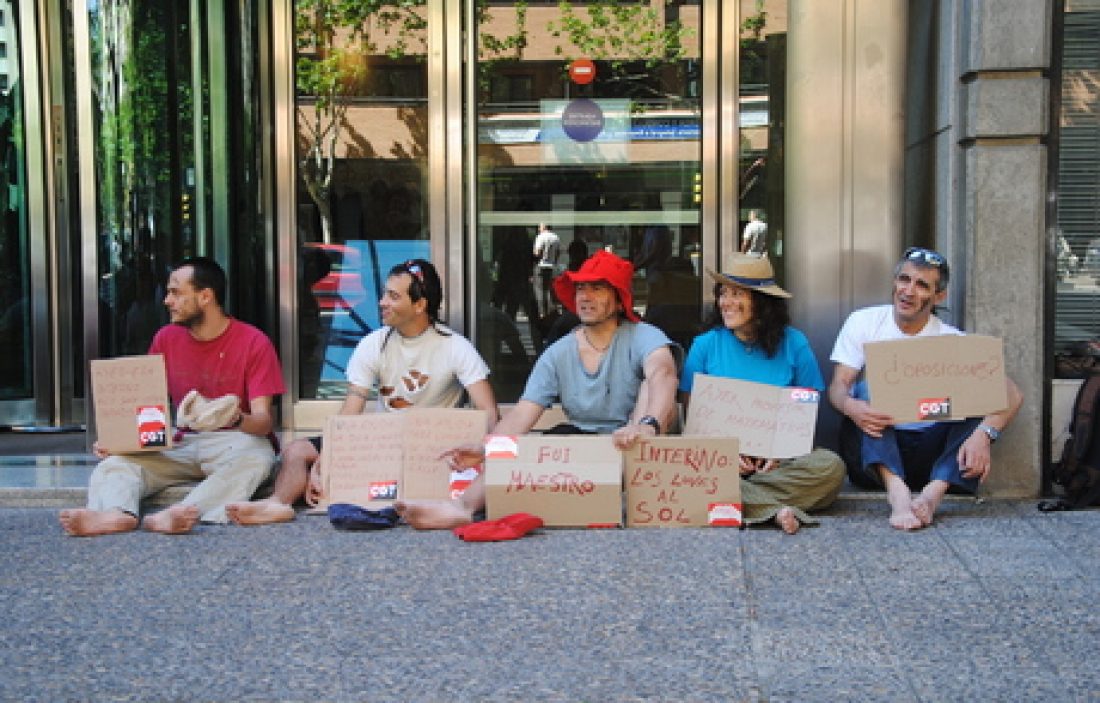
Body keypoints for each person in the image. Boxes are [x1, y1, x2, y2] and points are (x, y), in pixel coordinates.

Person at [396, 250, 681, 529]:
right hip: (583, 445)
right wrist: (486, 449)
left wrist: (647, 425)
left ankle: (626, 489)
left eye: (597, 288)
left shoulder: (644, 336)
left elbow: (663, 374)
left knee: (649, 384)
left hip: (633, 443)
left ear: (619, 301)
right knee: (516, 448)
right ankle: (461, 508)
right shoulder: (558, 352)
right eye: (580, 288)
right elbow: (522, 413)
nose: (585, 296)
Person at [225, 259, 499, 525]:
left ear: (420, 305)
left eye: (393, 296)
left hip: (433, 444)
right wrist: (326, 460)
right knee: (297, 450)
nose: (382, 303)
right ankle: (277, 504)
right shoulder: (373, 344)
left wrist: (486, 451)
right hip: (382, 440)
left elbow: (489, 412)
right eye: (384, 294)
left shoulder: (455, 347)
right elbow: (351, 412)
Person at [59, 257, 285, 536]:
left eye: (176, 292)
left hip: (232, 440)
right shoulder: (165, 338)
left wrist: (236, 417)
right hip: (181, 440)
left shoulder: (253, 341)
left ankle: (180, 513)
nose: (167, 300)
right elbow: (148, 407)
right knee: (116, 464)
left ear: (205, 296)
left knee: (257, 457)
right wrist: (122, 440)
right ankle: (115, 514)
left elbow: (263, 423)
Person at [827, 247, 1023, 530]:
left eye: (921, 285)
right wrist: (850, 407)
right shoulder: (864, 322)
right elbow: (837, 387)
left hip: (931, 454)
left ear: (938, 296)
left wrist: (985, 433)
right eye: (904, 280)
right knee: (865, 390)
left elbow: (1012, 393)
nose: (908, 291)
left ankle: (933, 495)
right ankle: (897, 492)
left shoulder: (950, 340)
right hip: (875, 454)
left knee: (974, 405)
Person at [680, 256, 845, 534]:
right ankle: (773, 509)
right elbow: (692, 413)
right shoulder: (705, 345)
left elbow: (807, 405)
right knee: (686, 470)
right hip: (721, 459)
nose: (726, 302)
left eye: (737, 294)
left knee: (831, 468)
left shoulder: (794, 343)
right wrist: (726, 455)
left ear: (762, 302)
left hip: (778, 461)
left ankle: (738, 499)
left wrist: (779, 450)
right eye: (723, 293)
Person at [533, 222, 561, 317]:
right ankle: (551, 311)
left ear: (544, 226)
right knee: (549, 289)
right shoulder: (556, 237)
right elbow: (558, 253)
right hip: (551, 266)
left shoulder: (540, 237)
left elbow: (537, 252)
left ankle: (542, 312)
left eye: (540, 226)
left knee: (540, 290)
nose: (538, 228)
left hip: (541, 266)